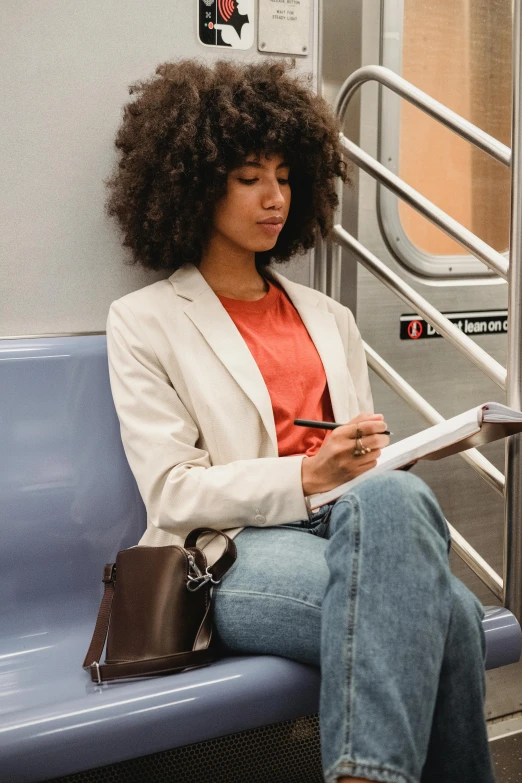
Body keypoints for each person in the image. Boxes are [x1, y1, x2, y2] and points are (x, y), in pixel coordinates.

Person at [104, 58, 494, 783]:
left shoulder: (330, 317)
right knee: (454, 619)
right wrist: (306, 474)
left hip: (349, 525)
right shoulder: (145, 321)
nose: (274, 196)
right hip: (233, 550)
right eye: (250, 176)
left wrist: (382, 456)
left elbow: (366, 465)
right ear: (194, 182)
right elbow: (172, 493)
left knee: (397, 494)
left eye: (285, 177)